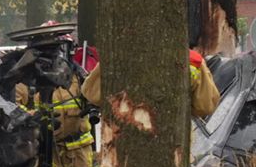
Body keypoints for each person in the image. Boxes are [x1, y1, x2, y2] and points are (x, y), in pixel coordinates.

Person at [82, 48, 221, 118]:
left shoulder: (116, 54)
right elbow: (205, 106)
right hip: (174, 147)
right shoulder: (192, 61)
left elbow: (91, 93)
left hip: (124, 147)